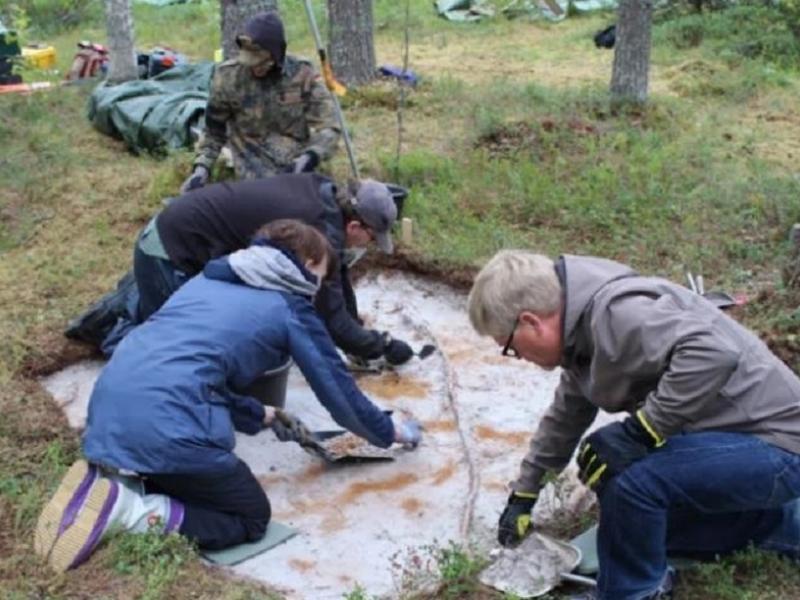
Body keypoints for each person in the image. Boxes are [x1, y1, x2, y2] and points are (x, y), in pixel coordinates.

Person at [35, 220, 422, 572]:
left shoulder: (207, 281)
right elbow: (341, 397)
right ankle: (133, 512)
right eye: (320, 276)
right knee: (248, 518)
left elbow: (191, 371)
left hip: (109, 406)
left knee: (186, 471)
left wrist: (259, 415)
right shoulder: (290, 307)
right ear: (307, 263)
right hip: (168, 426)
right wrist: (389, 432)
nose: (319, 287)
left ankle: (110, 487)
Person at [467, 250, 800, 600]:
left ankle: (635, 593)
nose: (518, 358)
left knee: (631, 482)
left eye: (509, 347)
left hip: (779, 445)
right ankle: (780, 528)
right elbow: (566, 416)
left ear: (531, 322)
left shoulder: (619, 314)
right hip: (742, 442)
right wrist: (525, 492)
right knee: (633, 527)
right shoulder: (580, 337)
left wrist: (641, 430)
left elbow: (714, 353)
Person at [66, 173, 413, 365]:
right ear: (356, 226)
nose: (368, 244)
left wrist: (357, 327)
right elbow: (331, 319)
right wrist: (380, 346)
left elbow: (336, 285)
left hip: (181, 233)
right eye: (371, 237)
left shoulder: (323, 192)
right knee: (183, 347)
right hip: (171, 251)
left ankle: (125, 308)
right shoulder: (317, 232)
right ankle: (115, 337)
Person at [180, 11, 340, 193]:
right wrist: (201, 169)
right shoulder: (228, 77)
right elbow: (213, 132)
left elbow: (330, 126)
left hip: (296, 163)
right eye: (250, 64)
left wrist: (310, 157)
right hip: (251, 165)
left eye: (261, 63)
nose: (255, 69)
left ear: (275, 57)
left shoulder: (302, 74)